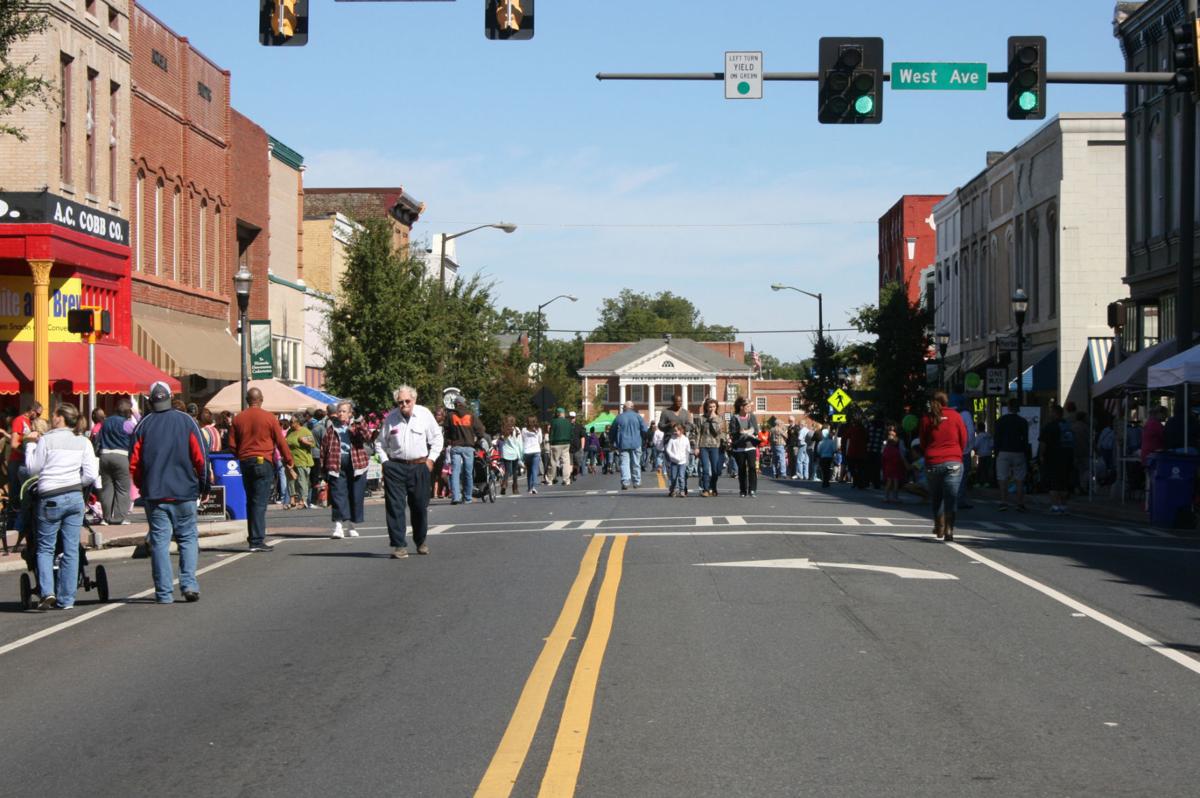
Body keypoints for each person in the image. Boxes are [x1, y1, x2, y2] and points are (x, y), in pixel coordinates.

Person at [129, 382, 209, 604]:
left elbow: (134, 464)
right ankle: (189, 583)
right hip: (184, 491)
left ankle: (164, 592)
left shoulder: (143, 425)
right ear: (171, 397)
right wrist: (203, 486)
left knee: (160, 542)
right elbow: (200, 457)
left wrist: (143, 486)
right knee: (188, 538)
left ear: (150, 400)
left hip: (155, 493)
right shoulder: (186, 421)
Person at [26, 403, 99, 610]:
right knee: (71, 549)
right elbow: (91, 474)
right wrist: (76, 483)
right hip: (74, 496)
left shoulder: (47, 440)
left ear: (59, 418)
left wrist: (31, 445)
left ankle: (47, 591)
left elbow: (33, 468)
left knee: (46, 548)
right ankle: (67, 599)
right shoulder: (83, 441)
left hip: (50, 496)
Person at [376, 385, 443, 558]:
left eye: (407, 401)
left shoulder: (424, 414)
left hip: (419, 466)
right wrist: (385, 463)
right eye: (400, 402)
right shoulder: (391, 418)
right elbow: (380, 443)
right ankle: (399, 545)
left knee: (419, 506)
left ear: (414, 400)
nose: (404, 404)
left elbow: (437, 438)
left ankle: (420, 541)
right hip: (396, 467)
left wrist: (431, 460)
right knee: (395, 507)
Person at [228, 388, 296, 553]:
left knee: (251, 500)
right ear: (262, 399)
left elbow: (231, 445)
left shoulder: (238, 419)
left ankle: (253, 537)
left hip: (245, 462)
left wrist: (241, 455)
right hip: (263, 461)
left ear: (247, 399)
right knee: (259, 502)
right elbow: (281, 441)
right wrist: (289, 460)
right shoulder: (270, 418)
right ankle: (257, 540)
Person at [919, 391, 968, 541]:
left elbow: (922, 441)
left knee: (937, 496)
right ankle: (949, 529)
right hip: (953, 461)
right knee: (951, 497)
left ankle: (939, 525)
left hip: (933, 461)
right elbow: (964, 439)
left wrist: (930, 452)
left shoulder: (927, 418)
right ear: (946, 402)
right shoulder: (956, 416)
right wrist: (957, 453)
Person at [322, 400, 371, 539]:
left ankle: (351, 526)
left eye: (344, 411)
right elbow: (324, 447)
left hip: (357, 465)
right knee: (338, 496)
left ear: (350, 413)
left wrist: (360, 420)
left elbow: (367, 437)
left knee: (355, 496)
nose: (341, 414)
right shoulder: (331, 427)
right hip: (336, 465)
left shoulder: (356, 425)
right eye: (339, 411)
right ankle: (338, 527)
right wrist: (323, 469)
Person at [96, 399, 137, 525]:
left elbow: (98, 438)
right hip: (121, 456)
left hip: (105, 455)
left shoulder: (106, 422)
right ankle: (119, 517)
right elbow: (137, 435)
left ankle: (106, 517)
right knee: (123, 488)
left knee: (107, 488)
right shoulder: (128, 424)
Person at [445, 398, 488, 505]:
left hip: (455, 447)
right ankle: (468, 497)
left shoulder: (450, 416)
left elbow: (446, 431)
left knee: (455, 472)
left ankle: (456, 497)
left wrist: (449, 440)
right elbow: (480, 430)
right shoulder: (471, 415)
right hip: (469, 447)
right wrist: (478, 440)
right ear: (464, 404)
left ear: (456, 404)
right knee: (468, 472)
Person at [994, 398, 1030, 512]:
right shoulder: (1023, 421)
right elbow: (1025, 440)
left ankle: (1003, 502)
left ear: (1008, 407)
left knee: (1002, 477)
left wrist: (996, 452)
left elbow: (997, 439)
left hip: (1003, 451)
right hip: (1019, 451)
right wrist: (1026, 453)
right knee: (1019, 479)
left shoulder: (1001, 421)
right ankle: (1020, 503)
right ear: (1018, 408)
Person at [1039, 404, 1075, 514]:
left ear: (1055, 413)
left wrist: (1041, 455)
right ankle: (1064, 506)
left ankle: (1055, 505)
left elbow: (1043, 443)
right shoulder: (1068, 426)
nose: (1050, 414)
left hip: (1053, 457)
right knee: (1064, 482)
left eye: (1051, 412)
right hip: (1067, 456)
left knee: (1053, 482)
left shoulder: (1050, 426)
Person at [611, 400, 649, 490]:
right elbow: (645, 429)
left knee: (624, 463)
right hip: (636, 443)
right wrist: (644, 439)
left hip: (623, 443)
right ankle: (637, 481)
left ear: (624, 408)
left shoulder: (619, 417)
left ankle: (625, 481)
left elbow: (612, 431)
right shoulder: (638, 417)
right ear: (633, 407)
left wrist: (612, 442)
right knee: (636, 463)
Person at [728, 396, 760, 497]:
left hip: (750, 446)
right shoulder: (734, 417)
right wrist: (739, 432)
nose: (750, 408)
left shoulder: (752, 417)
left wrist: (747, 432)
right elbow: (732, 432)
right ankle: (743, 490)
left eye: (750, 406)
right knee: (741, 469)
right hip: (740, 447)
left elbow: (755, 430)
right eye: (748, 406)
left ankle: (752, 489)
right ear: (741, 407)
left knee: (752, 467)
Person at [694, 397, 725, 497]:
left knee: (715, 470)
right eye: (710, 406)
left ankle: (713, 487)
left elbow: (717, 432)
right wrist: (696, 447)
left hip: (715, 446)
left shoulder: (720, 419)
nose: (712, 408)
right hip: (703, 446)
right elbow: (697, 433)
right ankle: (706, 489)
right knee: (706, 469)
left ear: (716, 407)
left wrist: (713, 419)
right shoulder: (701, 419)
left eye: (714, 406)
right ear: (706, 407)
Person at [285, 415, 315, 509]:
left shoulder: (305, 431)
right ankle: (292, 500)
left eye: (292, 422)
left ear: (298, 422)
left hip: (302, 459)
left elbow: (313, 444)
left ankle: (303, 500)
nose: (290, 423)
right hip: (290, 460)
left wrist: (304, 441)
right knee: (291, 480)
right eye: (290, 422)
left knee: (302, 481)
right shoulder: (290, 431)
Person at [547, 407, 574, 485]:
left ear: (557, 413)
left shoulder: (553, 422)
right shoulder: (568, 422)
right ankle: (566, 479)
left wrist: (550, 442)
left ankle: (550, 479)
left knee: (553, 461)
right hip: (566, 443)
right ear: (563, 413)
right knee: (566, 462)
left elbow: (551, 433)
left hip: (556, 443)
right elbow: (571, 433)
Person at [498, 415, 524, 495]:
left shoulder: (503, 430)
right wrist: (521, 454)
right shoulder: (516, 430)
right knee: (515, 471)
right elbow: (520, 443)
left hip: (506, 452)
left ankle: (504, 484)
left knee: (507, 471)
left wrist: (500, 453)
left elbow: (501, 443)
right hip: (515, 452)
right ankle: (515, 488)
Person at [881, 426, 907, 503]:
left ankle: (886, 497)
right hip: (896, 467)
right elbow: (901, 457)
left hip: (888, 467)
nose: (891, 432)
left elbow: (883, 458)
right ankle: (895, 497)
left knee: (889, 482)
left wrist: (883, 466)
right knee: (896, 482)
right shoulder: (897, 450)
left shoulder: (886, 449)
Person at [520, 415, 543, 495]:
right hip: (536, 451)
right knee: (534, 469)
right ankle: (534, 485)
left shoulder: (523, 430)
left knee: (529, 471)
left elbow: (522, 440)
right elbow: (540, 441)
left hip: (527, 451)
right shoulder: (538, 430)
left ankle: (530, 488)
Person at [666, 422, 690, 497]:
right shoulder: (672, 439)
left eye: (676, 431)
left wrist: (686, 459)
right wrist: (673, 456)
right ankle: (673, 490)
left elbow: (688, 449)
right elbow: (668, 449)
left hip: (682, 462)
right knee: (673, 477)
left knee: (681, 476)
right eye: (674, 431)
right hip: (674, 462)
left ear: (681, 431)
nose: (675, 432)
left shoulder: (685, 439)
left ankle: (682, 490)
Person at [865, 415, 886, 489]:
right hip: (878, 450)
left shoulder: (870, 426)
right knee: (876, 468)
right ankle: (876, 483)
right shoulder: (883, 428)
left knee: (868, 467)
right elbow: (883, 438)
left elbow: (866, 436)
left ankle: (866, 482)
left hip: (869, 449)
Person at [569, 411, 587, 480]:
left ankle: (574, 472)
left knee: (577, 463)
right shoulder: (567, 426)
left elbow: (582, 437)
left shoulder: (579, 427)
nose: (571, 419)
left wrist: (582, 448)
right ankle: (571, 475)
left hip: (577, 448)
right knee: (570, 463)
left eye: (573, 418)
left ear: (575, 418)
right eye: (570, 418)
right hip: (569, 448)